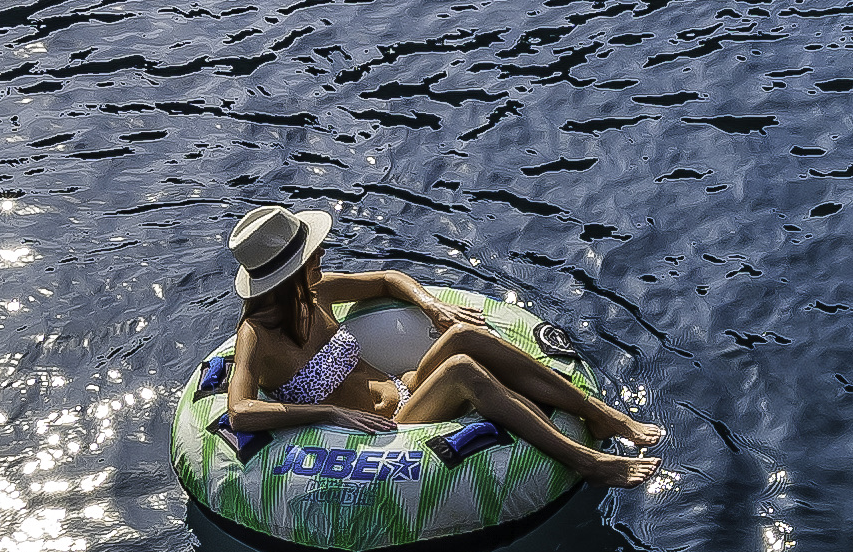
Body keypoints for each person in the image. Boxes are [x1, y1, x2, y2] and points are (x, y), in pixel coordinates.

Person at [219, 206, 661, 485]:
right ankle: (585, 461)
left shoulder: (316, 293)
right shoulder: (256, 334)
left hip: (406, 389)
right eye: (311, 254)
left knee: (464, 336)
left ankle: (601, 415)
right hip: (386, 432)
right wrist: (331, 412)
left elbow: (388, 279)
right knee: (462, 369)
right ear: (288, 274)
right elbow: (239, 411)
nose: (321, 255)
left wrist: (433, 308)